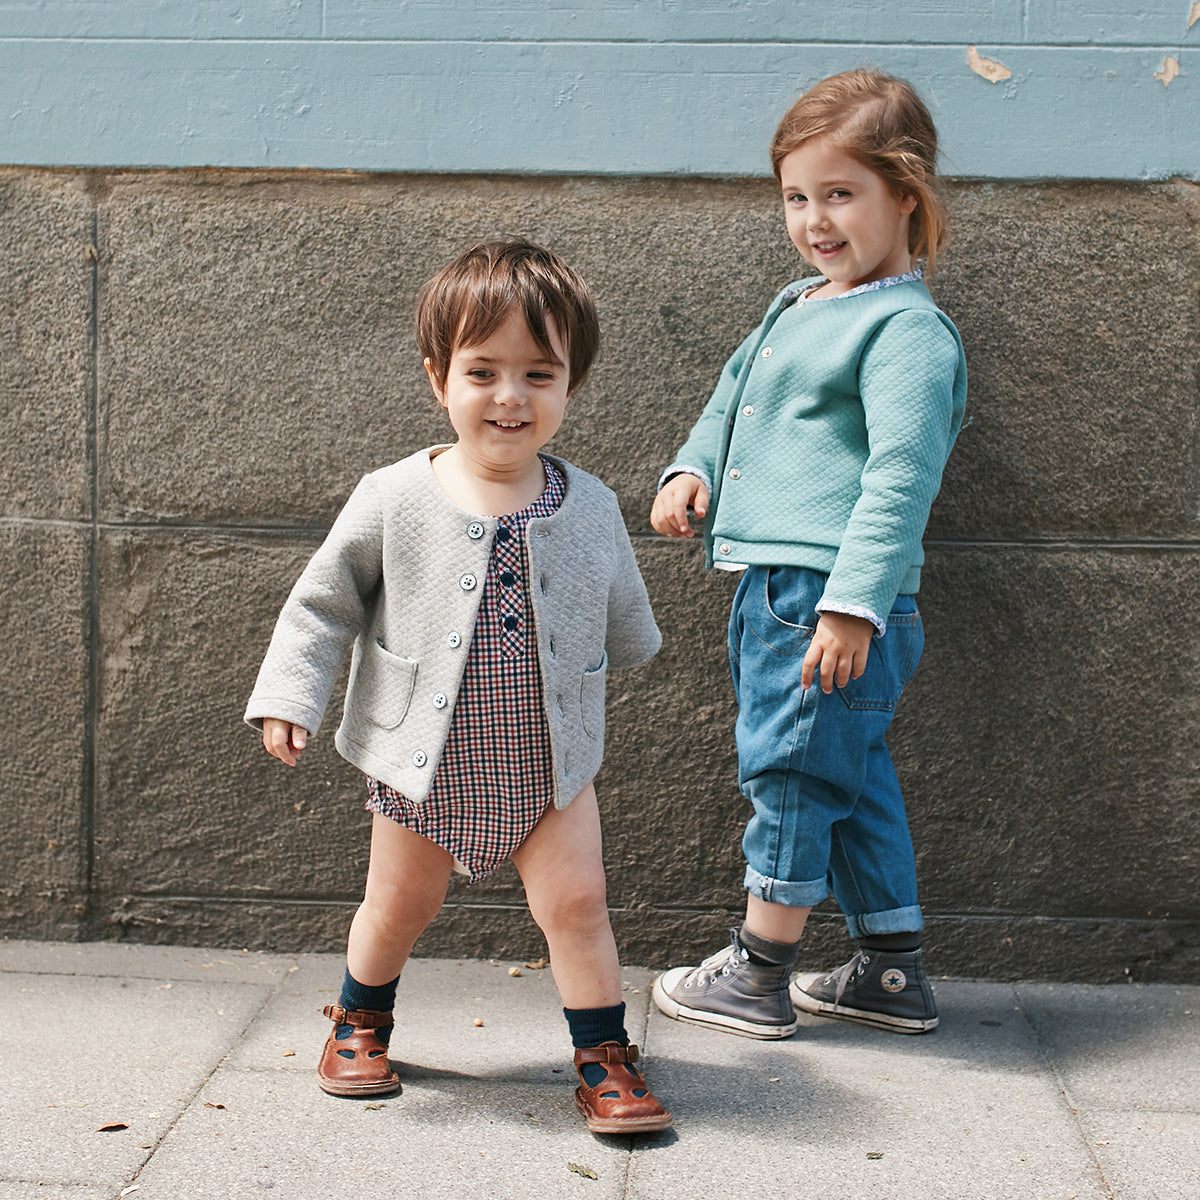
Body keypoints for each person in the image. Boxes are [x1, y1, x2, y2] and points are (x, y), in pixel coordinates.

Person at [245, 238, 672, 1133]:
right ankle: (359, 1020)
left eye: (538, 374)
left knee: (578, 905)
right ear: (439, 376)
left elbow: (621, 610)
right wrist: (292, 692)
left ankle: (602, 1052)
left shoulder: (588, 505)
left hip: (550, 759)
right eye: (483, 371)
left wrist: (612, 659)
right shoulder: (395, 496)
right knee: (400, 902)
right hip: (419, 758)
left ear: (570, 386)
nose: (509, 397)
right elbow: (323, 604)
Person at [649, 68, 967, 1040]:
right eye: (797, 196)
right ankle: (892, 970)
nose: (815, 220)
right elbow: (730, 396)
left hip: (828, 600)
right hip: (783, 591)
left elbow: (899, 483)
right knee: (850, 779)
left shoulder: (907, 332)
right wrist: (692, 468)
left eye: (841, 194)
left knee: (791, 774)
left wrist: (851, 604)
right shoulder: (797, 303)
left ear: (904, 196)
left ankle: (758, 971)